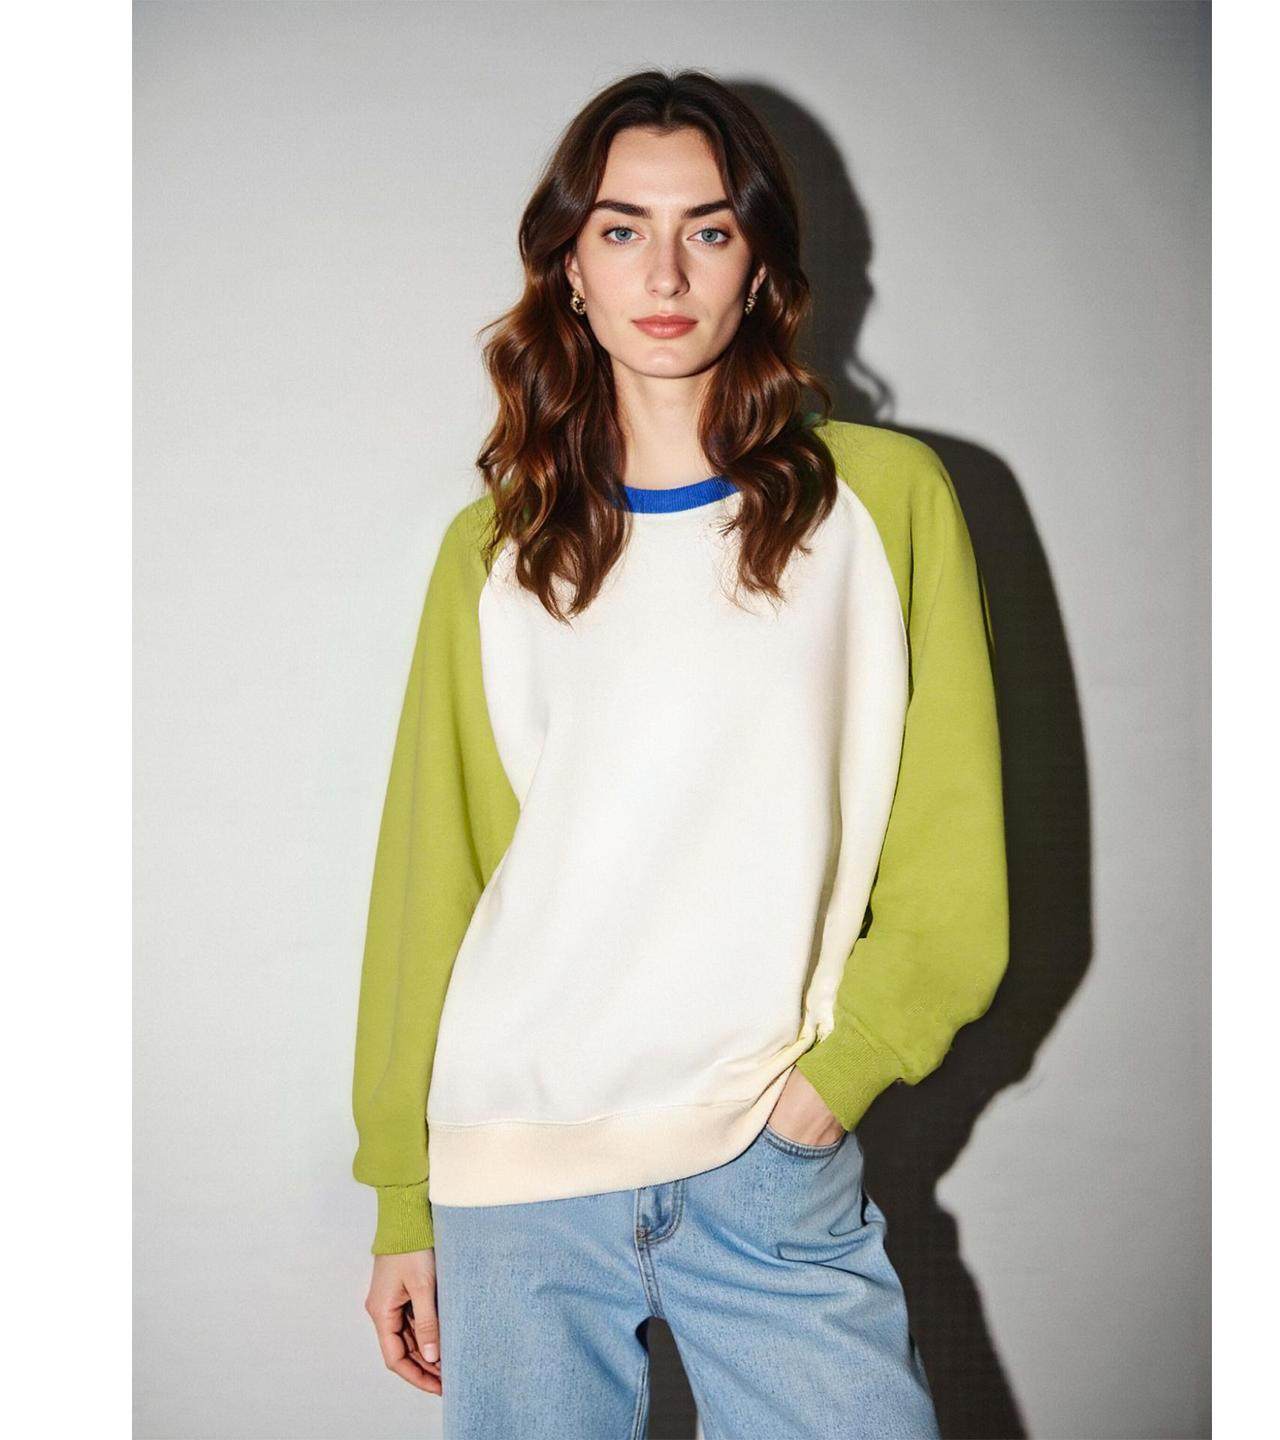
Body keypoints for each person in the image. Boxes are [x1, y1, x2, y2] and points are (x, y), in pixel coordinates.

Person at [351, 68, 1009, 1440]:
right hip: (517, 1176)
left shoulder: (883, 505)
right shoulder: (497, 551)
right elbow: (434, 879)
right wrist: (404, 1195)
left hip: (764, 1158)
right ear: (569, 268)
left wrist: (830, 1088)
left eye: (708, 228)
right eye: (621, 229)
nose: (664, 272)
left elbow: (952, 861)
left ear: (758, 263)